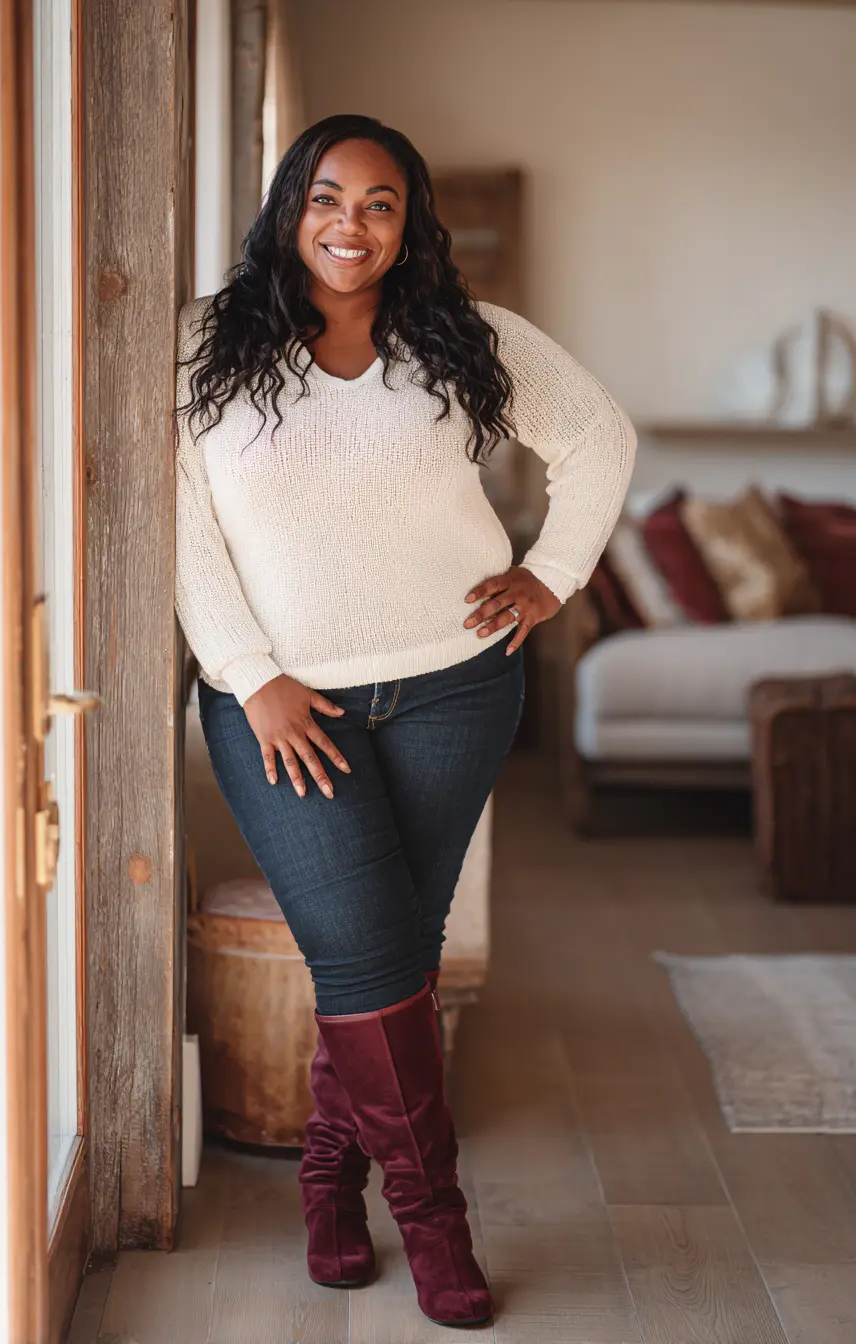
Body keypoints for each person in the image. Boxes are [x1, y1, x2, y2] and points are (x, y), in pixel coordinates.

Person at [175, 113, 635, 1329]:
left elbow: (596, 437)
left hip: (455, 684)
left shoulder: (463, 339)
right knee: (374, 957)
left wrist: (553, 572)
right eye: (328, 198)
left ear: (407, 222)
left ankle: (328, 1189)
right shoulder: (202, 351)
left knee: (387, 958)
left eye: (380, 205)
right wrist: (244, 670)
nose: (350, 226)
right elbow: (180, 525)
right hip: (280, 709)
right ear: (290, 206)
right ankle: (434, 1221)